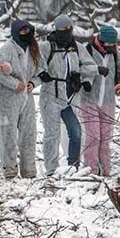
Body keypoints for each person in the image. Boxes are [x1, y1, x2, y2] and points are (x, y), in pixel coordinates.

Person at [35, 15, 96, 176]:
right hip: (50, 96)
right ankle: (51, 169)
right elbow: (36, 63)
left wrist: (84, 79)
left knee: (76, 132)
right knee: (52, 134)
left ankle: (73, 166)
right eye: (63, 29)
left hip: (69, 97)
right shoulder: (46, 46)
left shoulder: (76, 47)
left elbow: (89, 65)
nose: (67, 32)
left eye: (69, 29)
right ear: (56, 29)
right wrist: (42, 73)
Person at [0, 20, 40, 179]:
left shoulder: (32, 49)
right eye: (23, 31)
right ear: (15, 32)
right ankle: (10, 170)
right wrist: (14, 84)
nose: (26, 34)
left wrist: (33, 83)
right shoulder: (7, 49)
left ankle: (29, 171)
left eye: (28, 31)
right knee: (8, 134)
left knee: (29, 134)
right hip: (8, 99)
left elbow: (41, 70)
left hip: (27, 98)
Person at [80, 25, 120, 176]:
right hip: (89, 99)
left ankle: (105, 170)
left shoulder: (115, 53)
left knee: (106, 138)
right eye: (108, 44)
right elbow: (80, 68)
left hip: (108, 101)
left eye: (113, 44)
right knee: (93, 137)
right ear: (101, 41)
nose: (111, 46)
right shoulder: (87, 50)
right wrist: (96, 70)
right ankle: (91, 170)